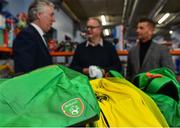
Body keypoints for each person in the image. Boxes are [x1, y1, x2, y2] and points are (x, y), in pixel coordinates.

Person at [13, 0, 55, 74]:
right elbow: (25, 74)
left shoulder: (37, 36)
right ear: (39, 15)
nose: (54, 19)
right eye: (51, 15)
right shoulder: (26, 36)